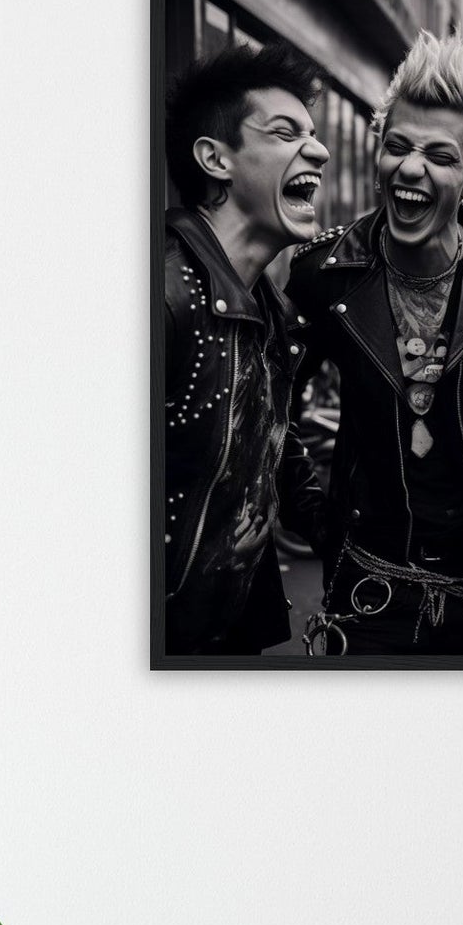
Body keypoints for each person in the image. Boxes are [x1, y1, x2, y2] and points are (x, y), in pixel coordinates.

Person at [287, 32, 463, 655]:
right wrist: (318, 521)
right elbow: (271, 413)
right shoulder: (322, 273)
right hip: (366, 599)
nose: (410, 169)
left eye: (439, 156)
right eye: (397, 147)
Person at [162, 40, 331, 654]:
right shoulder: (163, 294)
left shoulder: (270, 308)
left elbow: (276, 446)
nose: (319, 149)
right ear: (215, 158)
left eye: (312, 133)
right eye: (286, 133)